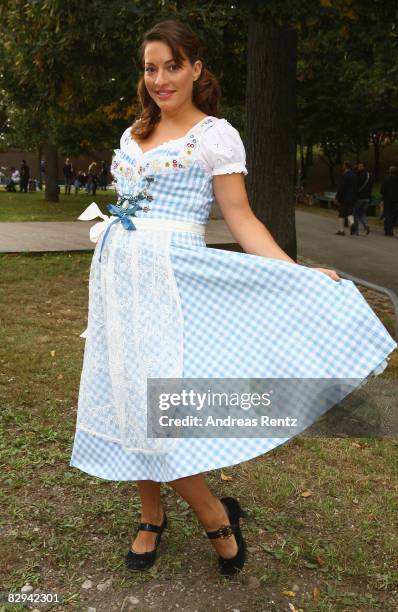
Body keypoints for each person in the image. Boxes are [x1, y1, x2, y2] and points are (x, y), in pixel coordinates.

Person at [70, 19, 397, 578]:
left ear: (196, 68)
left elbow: (241, 217)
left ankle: (215, 514)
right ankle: (151, 515)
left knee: (156, 409)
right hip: (120, 281)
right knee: (127, 395)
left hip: (176, 287)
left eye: (172, 66)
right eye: (151, 68)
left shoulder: (214, 135)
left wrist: (296, 274)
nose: (160, 79)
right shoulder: (133, 134)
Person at [334, 161, 357, 235]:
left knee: (341, 213)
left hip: (344, 198)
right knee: (349, 212)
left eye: (343, 165)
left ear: (345, 166)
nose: (342, 167)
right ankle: (352, 224)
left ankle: (341, 230)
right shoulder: (354, 175)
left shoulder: (344, 175)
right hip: (352, 197)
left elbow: (341, 188)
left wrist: (337, 198)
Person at [352, 161, 372, 235]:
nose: (359, 167)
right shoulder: (368, 175)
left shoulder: (359, 175)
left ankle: (356, 231)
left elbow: (355, 186)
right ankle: (366, 225)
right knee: (362, 213)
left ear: (364, 167)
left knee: (355, 213)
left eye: (360, 166)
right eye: (358, 166)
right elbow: (370, 187)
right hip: (367, 198)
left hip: (359, 198)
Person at [380, 166, 398, 236]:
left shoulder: (386, 179)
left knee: (387, 214)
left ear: (390, 171)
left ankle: (387, 230)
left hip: (387, 199)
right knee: (393, 215)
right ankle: (391, 230)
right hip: (396, 200)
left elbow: (382, 190)